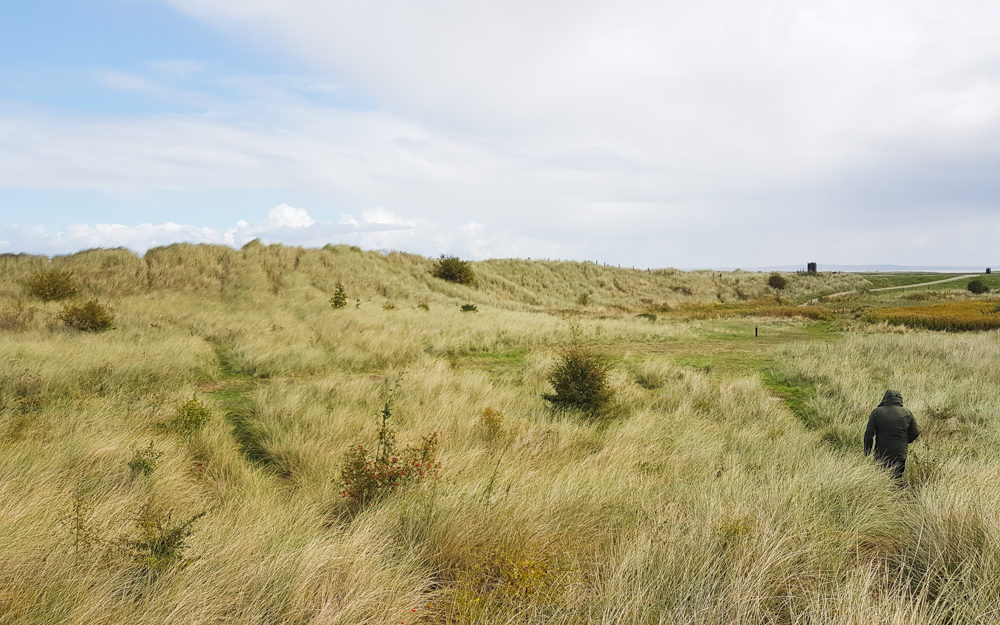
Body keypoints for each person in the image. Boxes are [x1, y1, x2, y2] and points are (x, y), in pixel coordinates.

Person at [864, 389, 919, 482]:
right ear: (900, 399)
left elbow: (869, 434)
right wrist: (905, 441)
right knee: (897, 478)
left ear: (885, 398)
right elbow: (915, 432)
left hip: (881, 453)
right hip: (900, 453)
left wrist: (867, 451)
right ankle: (896, 495)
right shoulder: (907, 413)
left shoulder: (876, 412)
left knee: (880, 478)